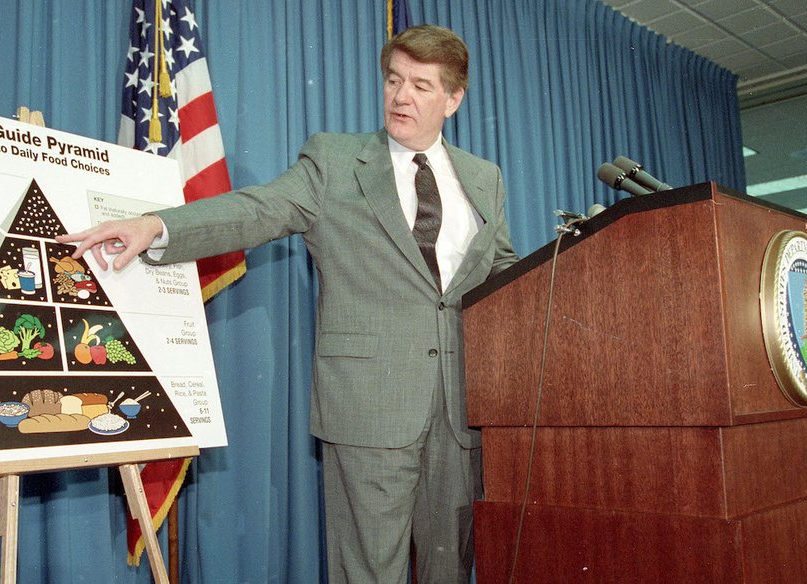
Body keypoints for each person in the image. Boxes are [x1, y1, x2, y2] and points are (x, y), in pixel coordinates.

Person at [59, 24, 519, 584]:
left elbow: (501, 274)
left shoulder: (482, 177)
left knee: (451, 568)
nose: (401, 96)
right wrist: (156, 225)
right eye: (394, 80)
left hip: (461, 412)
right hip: (370, 408)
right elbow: (258, 209)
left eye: (421, 86)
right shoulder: (335, 161)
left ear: (453, 99)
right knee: (369, 573)